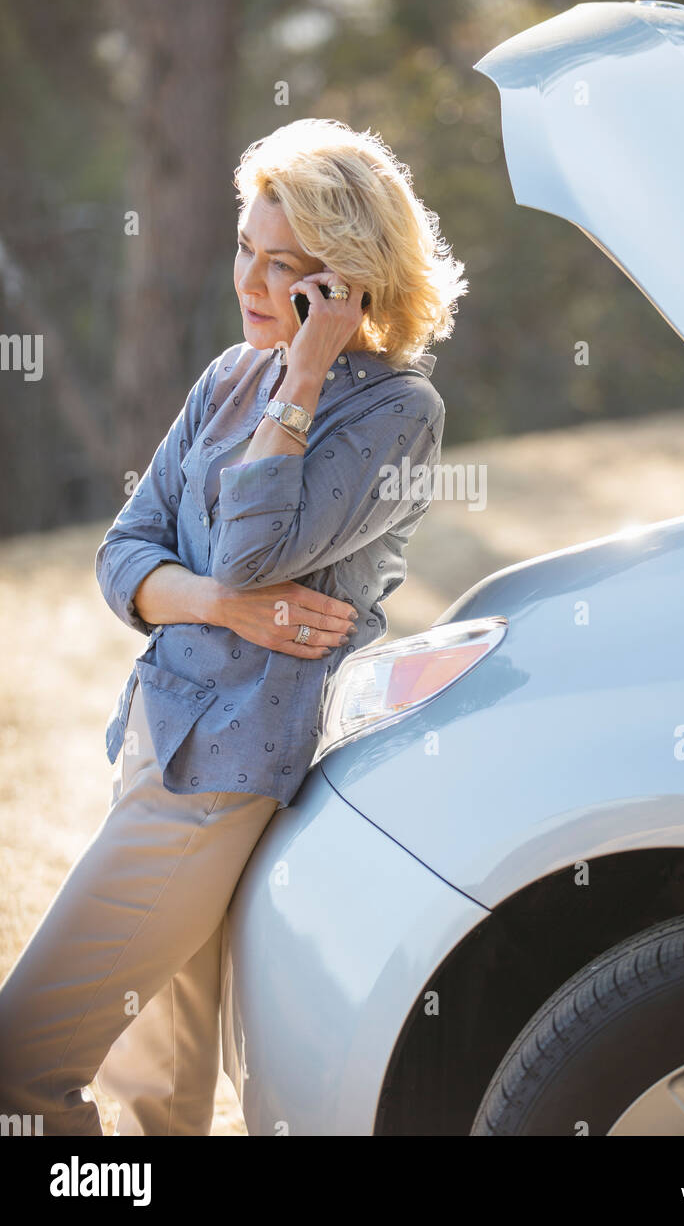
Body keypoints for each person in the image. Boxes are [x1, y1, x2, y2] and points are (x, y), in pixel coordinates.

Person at [0, 117, 465, 1135]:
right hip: (156, 740)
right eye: (243, 251)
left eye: (282, 266)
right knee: (159, 1089)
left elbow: (256, 550)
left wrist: (302, 376)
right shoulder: (225, 375)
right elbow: (123, 552)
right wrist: (211, 602)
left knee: (20, 1069)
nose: (251, 283)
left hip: (225, 775)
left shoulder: (397, 412)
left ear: (344, 282)